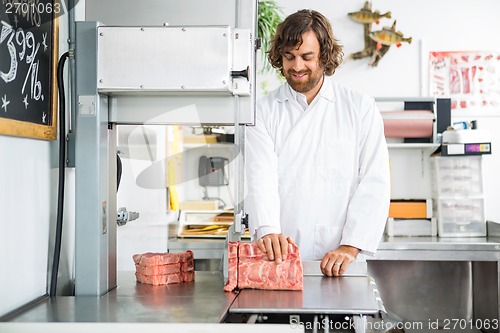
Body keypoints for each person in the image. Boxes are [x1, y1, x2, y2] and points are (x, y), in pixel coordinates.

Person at [245, 9, 390, 277]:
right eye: (289, 57)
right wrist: (267, 229)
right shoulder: (262, 111)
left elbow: (374, 181)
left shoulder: (359, 107)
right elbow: (259, 176)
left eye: (306, 57)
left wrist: (350, 246)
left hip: (342, 261)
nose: (297, 66)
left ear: (324, 56)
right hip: (280, 260)